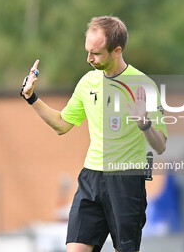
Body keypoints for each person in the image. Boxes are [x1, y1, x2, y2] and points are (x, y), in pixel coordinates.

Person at [21, 16, 168, 252]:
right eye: (88, 51)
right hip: (90, 179)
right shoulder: (87, 82)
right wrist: (31, 98)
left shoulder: (143, 85)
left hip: (126, 180)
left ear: (116, 51)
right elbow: (61, 124)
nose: (88, 59)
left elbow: (160, 145)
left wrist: (144, 123)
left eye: (96, 53)